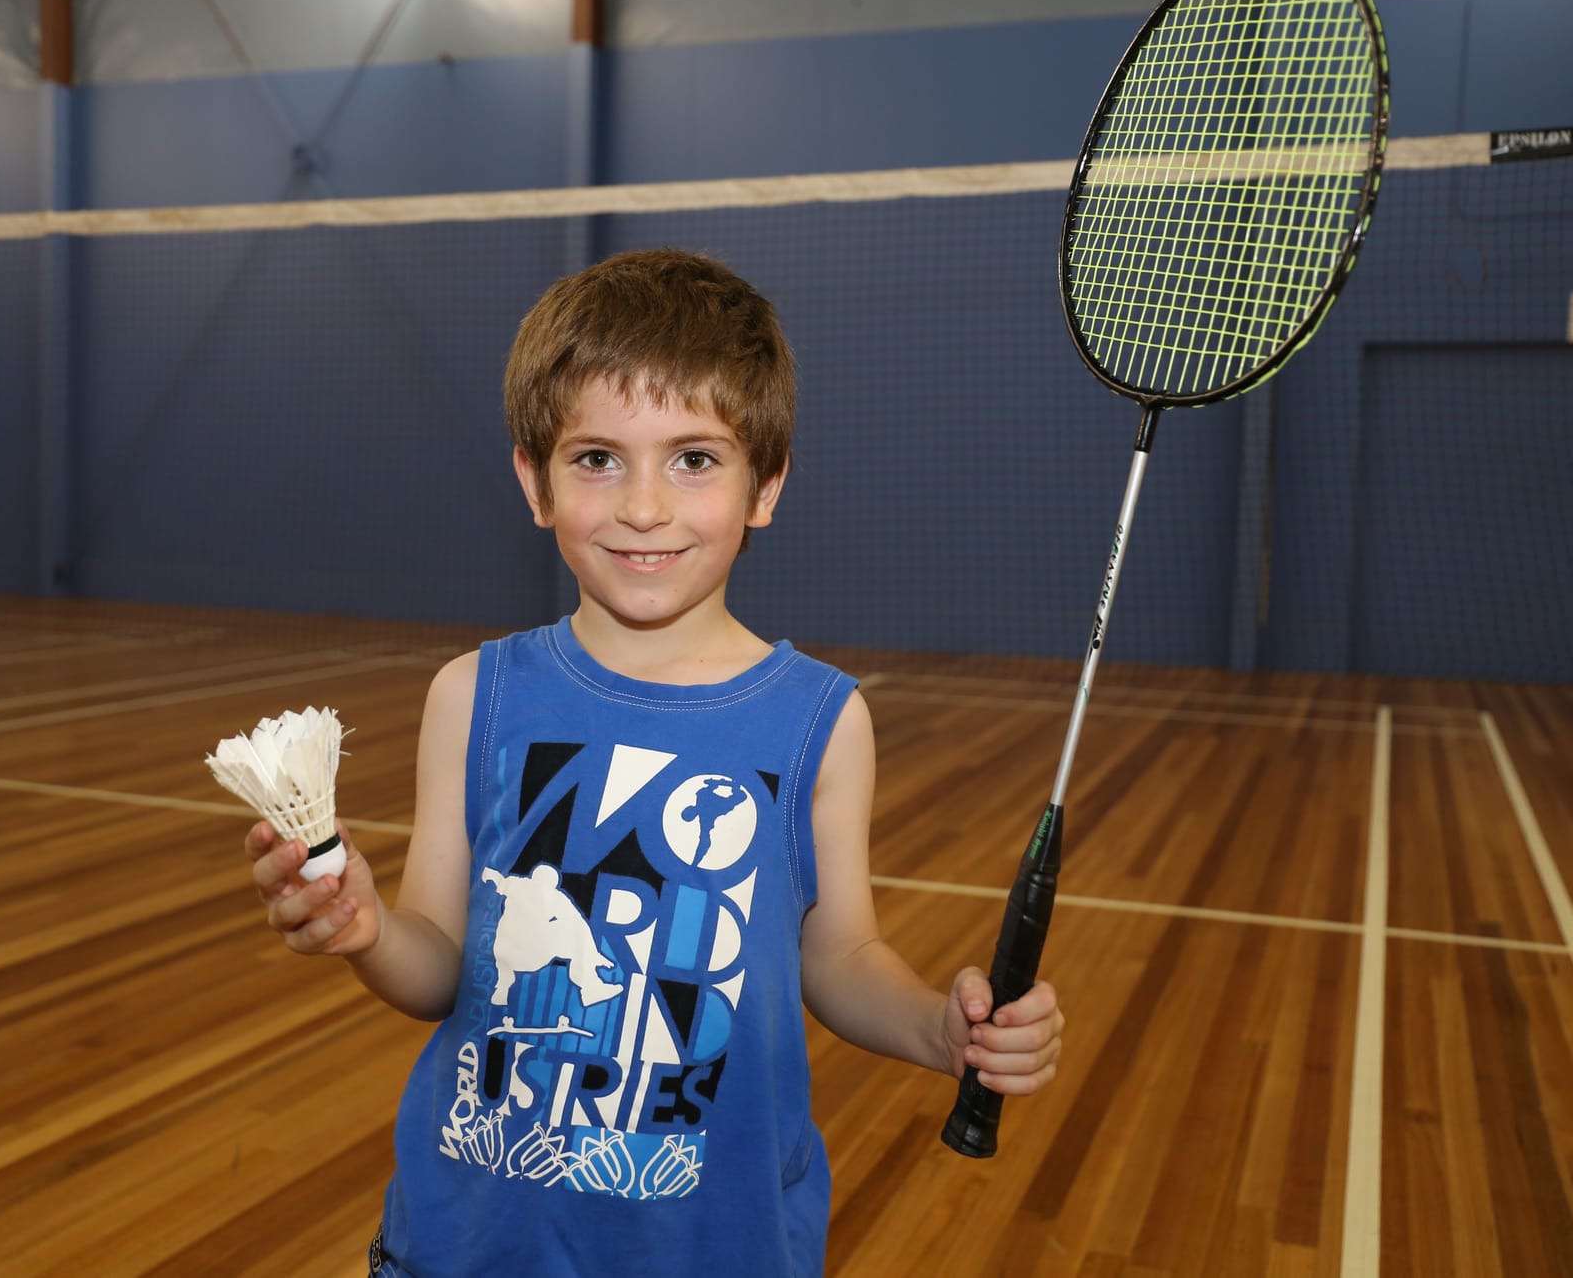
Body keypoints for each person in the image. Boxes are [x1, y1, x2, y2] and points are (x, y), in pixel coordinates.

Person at [246, 249, 1064, 1277]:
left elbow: (839, 954)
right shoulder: (473, 695)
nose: (643, 504)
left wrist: (936, 1032)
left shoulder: (819, 719)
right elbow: (443, 970)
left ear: (764, 484)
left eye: (693, 458)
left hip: (711, 1247)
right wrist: (366, 930)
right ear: (532, 480)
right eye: (595, 458)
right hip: (466, 1242)